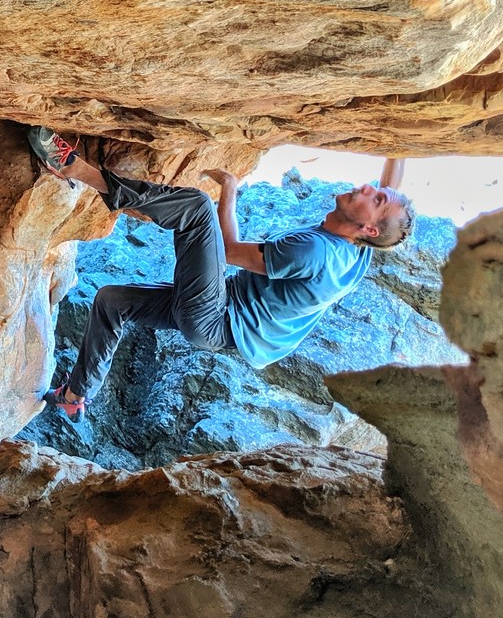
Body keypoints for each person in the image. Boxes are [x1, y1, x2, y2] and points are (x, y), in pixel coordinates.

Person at [27, 127, 414, 420]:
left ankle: (75, 168)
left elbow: (228, 251)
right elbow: (391, 187)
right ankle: (74, 396)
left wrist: (230, 188)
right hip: (219, 317)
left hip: (214, 318)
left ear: (369, 228)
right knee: (112, 301)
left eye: (377, 198)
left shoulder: (313, 252)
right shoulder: (362, 248)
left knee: (196, 208)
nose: (369, 188)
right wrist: (403, 133)